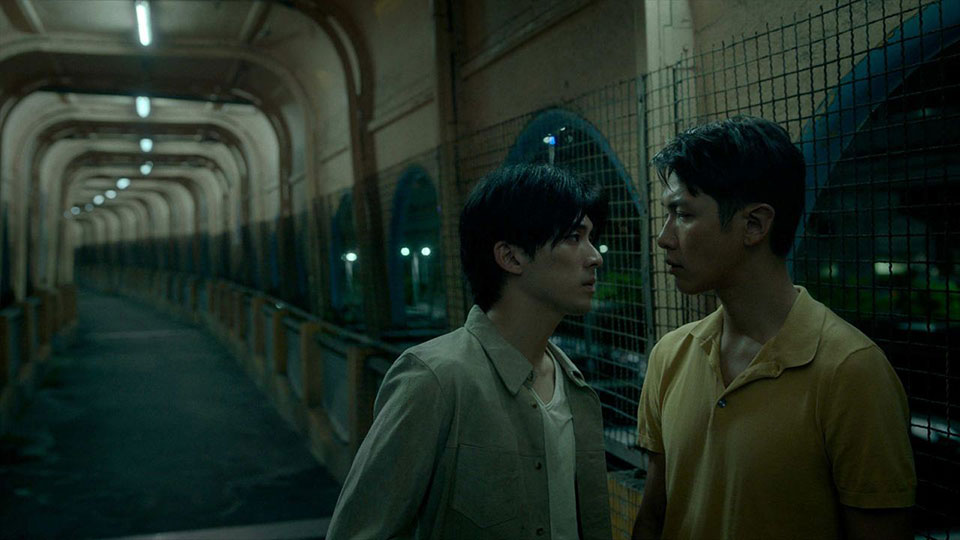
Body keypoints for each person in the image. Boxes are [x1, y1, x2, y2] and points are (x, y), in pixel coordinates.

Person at [632, 116, 916, 540]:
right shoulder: (670, 355)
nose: (664, 237)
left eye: (683, 214)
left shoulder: (851, 371)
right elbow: (653, 517)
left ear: (754, 225)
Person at [327, 163, 613, 539]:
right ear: (511, 257)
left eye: (591, 237)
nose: (595, 257)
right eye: (574, 237)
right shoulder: (436, 378)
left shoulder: (574, 386)